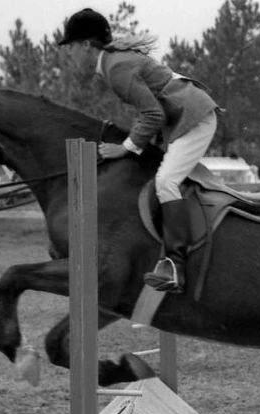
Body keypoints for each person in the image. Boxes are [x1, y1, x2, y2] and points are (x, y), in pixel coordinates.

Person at [58, 8, 221, 294]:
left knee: (165, 182)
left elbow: (153, 114)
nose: (69, 54)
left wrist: (125, 148)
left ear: (86, 45)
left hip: (193, 118)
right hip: (179, 118)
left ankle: (175, 265)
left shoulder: (116, 67)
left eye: (71, 47)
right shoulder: (114, 62)